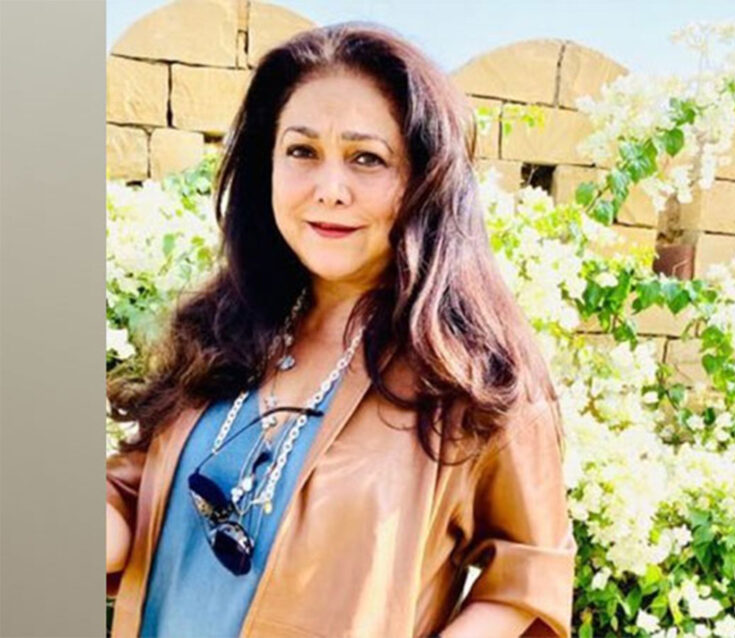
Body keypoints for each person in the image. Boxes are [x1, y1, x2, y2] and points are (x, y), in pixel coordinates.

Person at [106, 21, 577, 638]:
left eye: (367, 159)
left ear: (424, 179)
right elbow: (133, 494)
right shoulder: (221, 330)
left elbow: (527, 577)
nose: (330, 190)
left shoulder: (473, 372)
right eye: (302, 152)